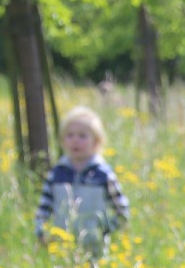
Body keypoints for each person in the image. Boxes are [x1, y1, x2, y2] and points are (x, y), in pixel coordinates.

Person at [34, 106, 129, 258]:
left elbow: (122, 209)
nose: (75, 140)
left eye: (82, 136)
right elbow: (44, 208)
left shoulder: (103, 175)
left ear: (96, 142)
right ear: (62, 140)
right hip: (62, 250)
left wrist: (104, 230)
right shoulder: (56, 174)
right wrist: (41, 232)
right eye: (69, 135)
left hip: (95, 251)